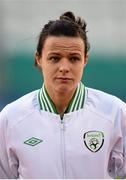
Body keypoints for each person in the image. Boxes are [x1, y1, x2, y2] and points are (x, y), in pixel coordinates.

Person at [0, 11, 126, 179]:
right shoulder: (11, 118)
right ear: (38, 59)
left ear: (85, 60)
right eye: (54, 58)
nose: (64, 67)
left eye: (74, 58)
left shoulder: (115, 112)